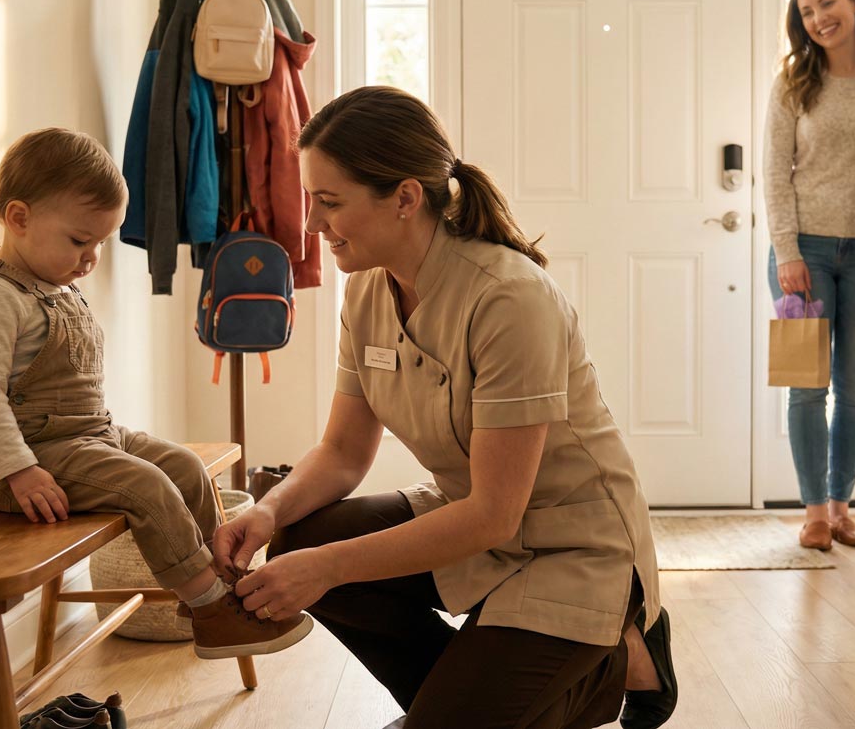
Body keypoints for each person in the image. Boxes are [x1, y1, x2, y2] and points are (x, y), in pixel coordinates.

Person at [213, 87, 677, 729]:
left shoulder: (510, 299)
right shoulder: (368, 291)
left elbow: (495, 512)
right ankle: (465, 698)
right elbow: (344, 453)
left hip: (572, 544)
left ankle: (609, 667)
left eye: (330, 203)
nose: (311, 226)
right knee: (302, 531)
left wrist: (326, 570)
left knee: (325, 560)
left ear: (405, 198)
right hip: (475, 518)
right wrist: (267, 513)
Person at [0, 127, 312, 657]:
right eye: (78, 240)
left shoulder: (56, 286)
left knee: (183, 466)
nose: (90, 257)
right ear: (19, 218)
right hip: (26, 460)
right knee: (145, 487)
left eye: (99, 243)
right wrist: (18, 469)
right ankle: (209, 611)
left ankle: (222, 581)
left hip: (90, 436)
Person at [763, 0, 855, 552]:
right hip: (804, 254)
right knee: (806, 387)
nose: (818, 19)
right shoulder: (793, 80)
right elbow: (774, 171)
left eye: (827, 3)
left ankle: (842, 508)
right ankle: (814, 512)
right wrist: (786, 250)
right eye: (807, 12)